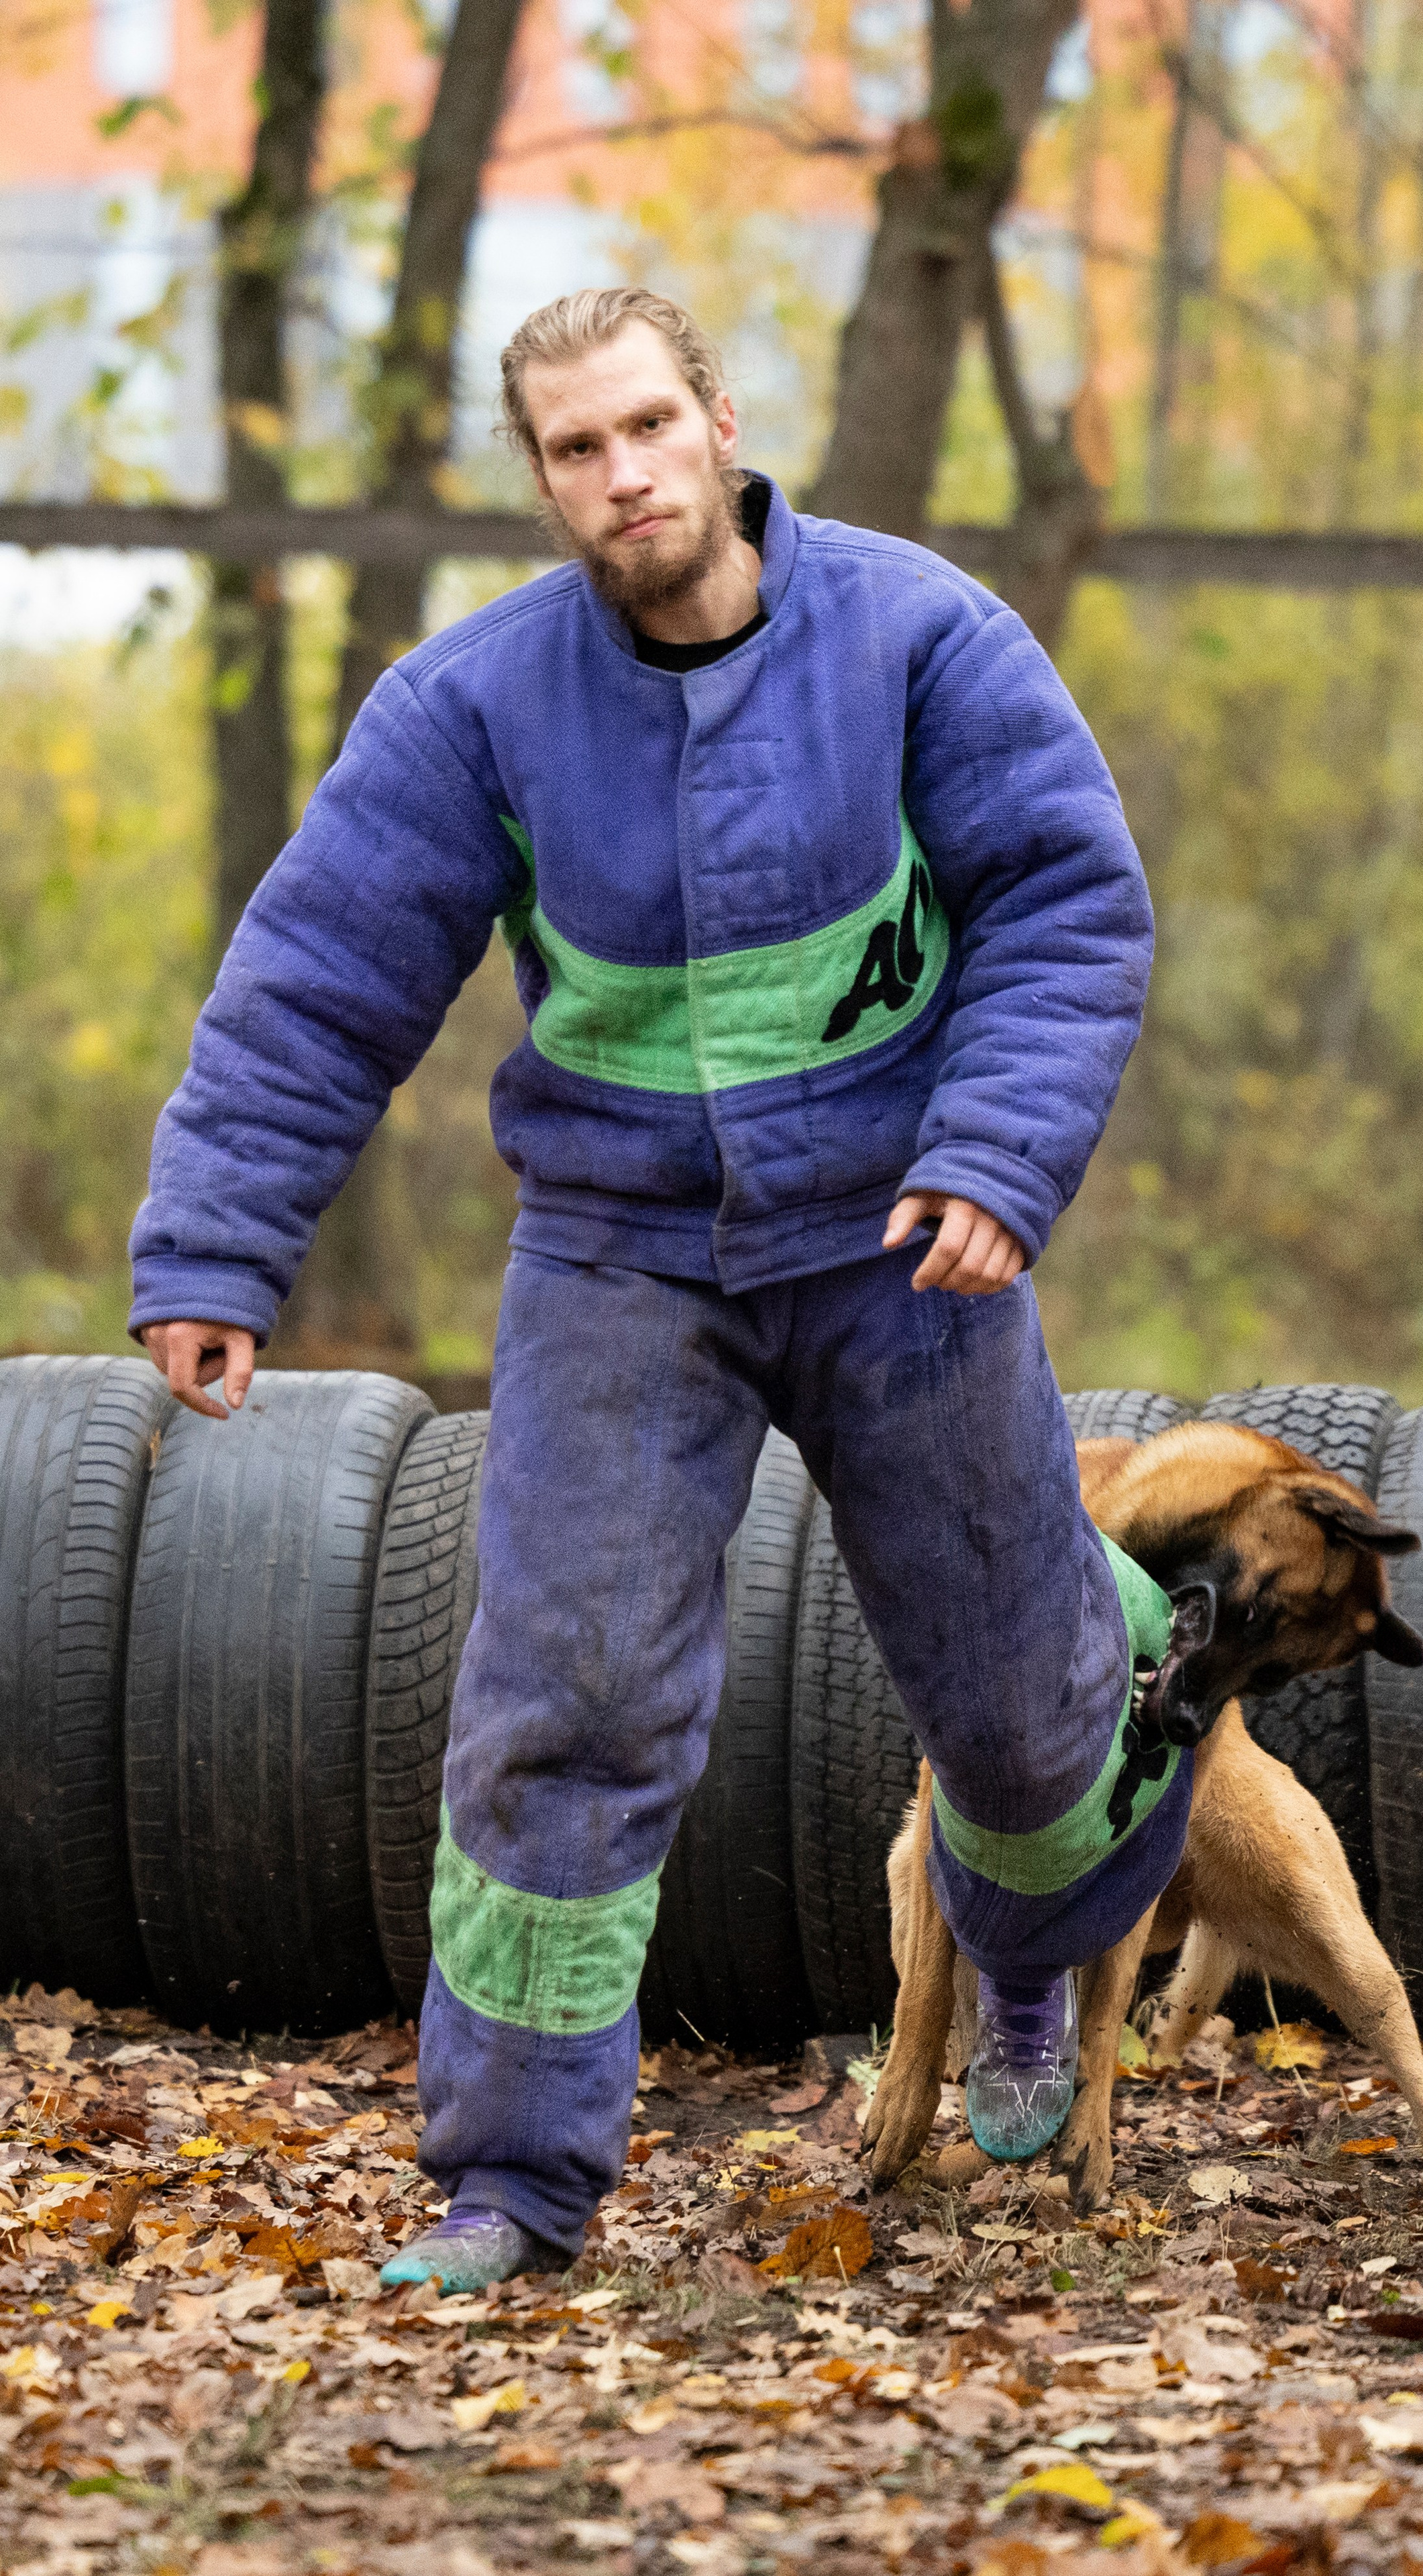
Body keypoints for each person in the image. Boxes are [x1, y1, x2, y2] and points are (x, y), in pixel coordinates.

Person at [130, 286, 1182, 2293]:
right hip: (622, 1253)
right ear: (541, 481)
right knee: (568, 1702)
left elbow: (1066, 903)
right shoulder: (473, 710)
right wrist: (213, 1244)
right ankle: (515, 2184)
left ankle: (1028, 1956)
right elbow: (316, 983)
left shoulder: (920, 639)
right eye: (572, 451)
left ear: (717, 421)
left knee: (1027, 1715)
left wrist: (994, 1152)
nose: (620, 477)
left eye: (644, 430)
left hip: (905, 1233)